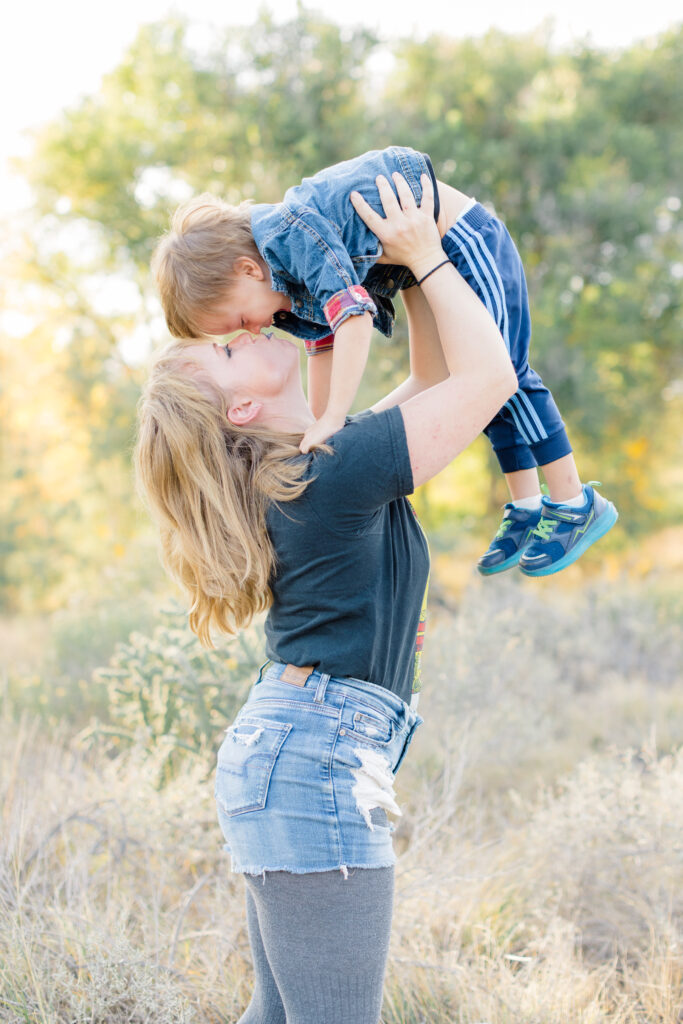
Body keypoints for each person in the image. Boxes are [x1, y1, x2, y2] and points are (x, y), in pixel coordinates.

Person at [135, 173, 514, 1024]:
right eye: (230, 345)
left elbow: (429, 375)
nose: (254, 323)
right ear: (241, 403)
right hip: (311, 763)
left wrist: (403, 271)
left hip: (292, 754)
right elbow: (485, 378)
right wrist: (427, 257)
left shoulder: (313, 459)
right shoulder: (323, 471)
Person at [152, 145, 617, 578]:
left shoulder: (292, 239)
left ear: (247, 270)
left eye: (238, 323)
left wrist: (334, 415)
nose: (253, 330)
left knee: (510, 375)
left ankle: (574, 501)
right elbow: (324, 344)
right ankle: (527, 505)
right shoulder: (282, 286)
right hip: (415, 259)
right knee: (488, 392)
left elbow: (351, 318)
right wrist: (315, 428)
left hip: (459, 238)